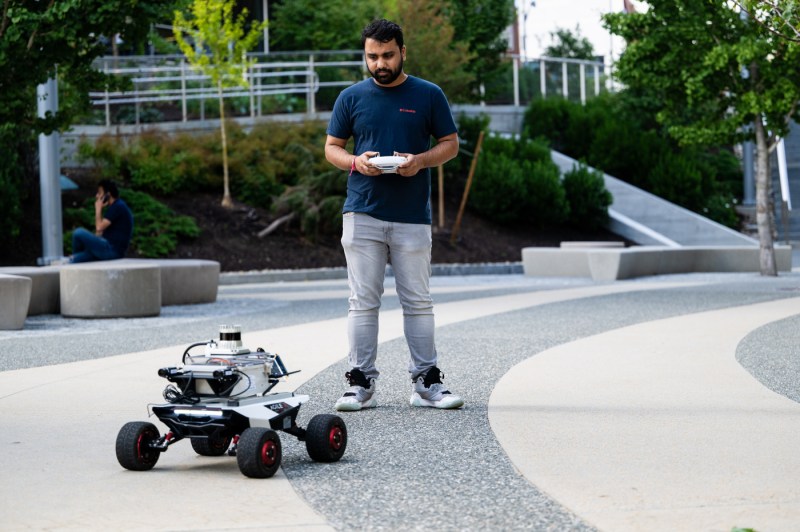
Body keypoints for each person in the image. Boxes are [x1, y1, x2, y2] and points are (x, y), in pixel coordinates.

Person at [324, 19, 463, 411]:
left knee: (418, 301)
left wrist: (419, 161)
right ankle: (359, 383)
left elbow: (450, 144)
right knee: (362, 302)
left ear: (403, 52)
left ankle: (426, 384)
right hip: (362, 212)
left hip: (411, 216)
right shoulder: (350, 97)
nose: (380, 63)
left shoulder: (428, 94)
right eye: (372, 56)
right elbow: (331, 148)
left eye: (387, 55)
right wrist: (355, 161)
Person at [67, 179, 134, 263]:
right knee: (74, 260)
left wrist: (98, 209)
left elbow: (99, 228)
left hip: (111, 250)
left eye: (99, 193)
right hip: (108, 248)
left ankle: (76, 255)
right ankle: (75, 257)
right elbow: (99, 234)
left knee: (78, 233)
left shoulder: (118, 206)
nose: (96, 196)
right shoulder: (116, 206)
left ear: (107, 195)